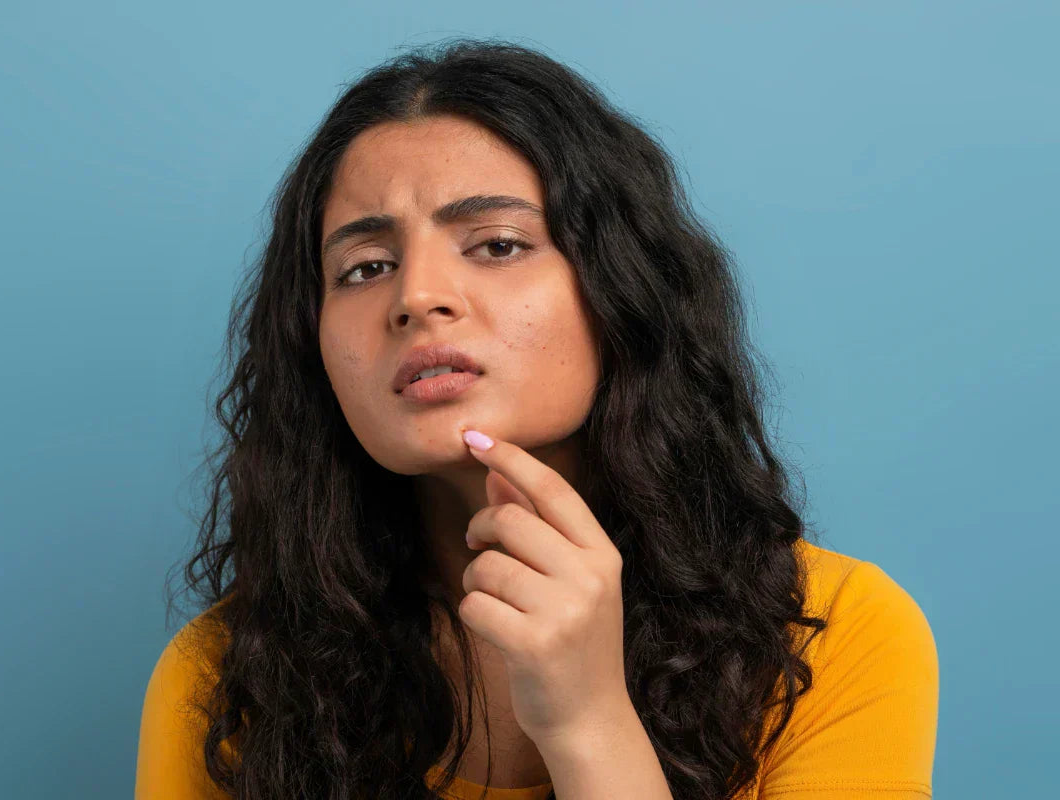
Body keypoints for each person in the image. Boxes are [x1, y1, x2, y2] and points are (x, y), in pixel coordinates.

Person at [135, 38, 938, 800]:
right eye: (366, 267)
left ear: (620, 289)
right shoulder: (224, 678)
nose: (416, 296)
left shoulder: (839, 637)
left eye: (496, 245)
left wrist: (590, 725)